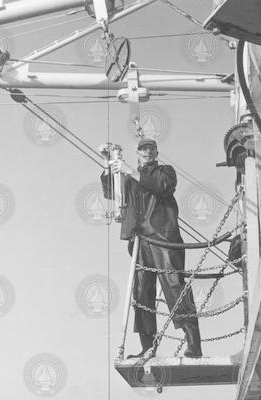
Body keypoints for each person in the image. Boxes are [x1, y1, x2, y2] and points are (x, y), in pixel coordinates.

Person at [99, 138, 202, 358]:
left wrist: (130, 171)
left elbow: (163, 187)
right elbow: (111, 192)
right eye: (143, 149)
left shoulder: (165, 171)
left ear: (156, 152)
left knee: (174, 282)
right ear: (137, 152)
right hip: (140, 239)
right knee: (141, 291)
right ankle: (147, 347)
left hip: (163, 236)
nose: (147, 152)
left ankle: (194, 343)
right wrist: (107, 165)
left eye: (151, 149)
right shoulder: (129, 177)